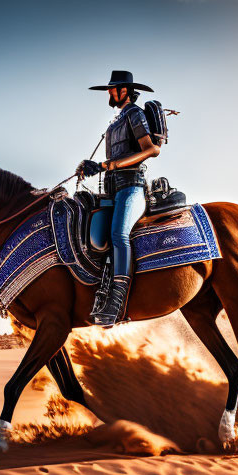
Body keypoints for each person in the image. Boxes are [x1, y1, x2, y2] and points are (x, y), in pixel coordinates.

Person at [77, 70, 162, 326]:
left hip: (131, 188)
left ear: (124, 90)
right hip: (112, 190)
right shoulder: (116, 120)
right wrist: (91, 166)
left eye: (112, 89)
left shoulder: (134, 114)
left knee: (118, 234)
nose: (109, 93)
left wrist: (105, 166)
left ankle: (116, 300)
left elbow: (152, 150)